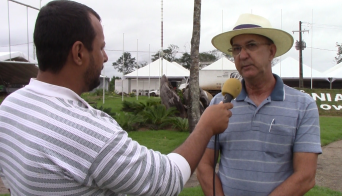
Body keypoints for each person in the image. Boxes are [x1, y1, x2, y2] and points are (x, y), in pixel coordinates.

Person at [0, 1, 233, 195]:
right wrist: (205, 126)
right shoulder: (88, 133)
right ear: (79, 52)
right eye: (101, 48)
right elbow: (166, 180)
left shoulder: (10, 108)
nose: (105, 58)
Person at [197, 13, 322, 196]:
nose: (243, 55)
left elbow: (305, 176)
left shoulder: (303, 106)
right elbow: (203, 164)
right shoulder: (220, 104)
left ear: (271, 52)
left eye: (251, 45)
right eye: (236, 49)